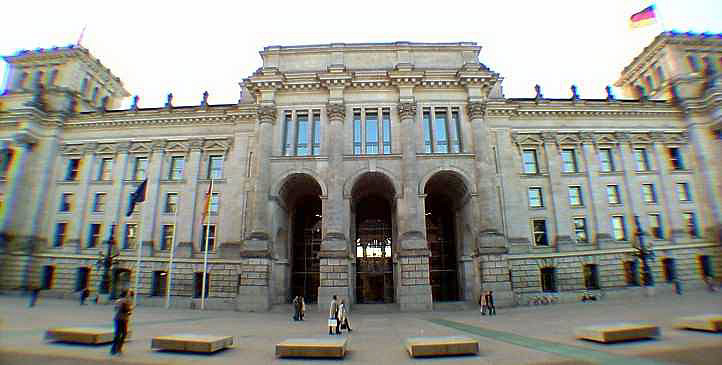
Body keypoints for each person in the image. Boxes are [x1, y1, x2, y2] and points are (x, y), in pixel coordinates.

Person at [110, 289, 131, 356]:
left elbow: (115, 309)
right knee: (123, 334)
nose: (129, 294)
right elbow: (125, 310)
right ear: (126, 294)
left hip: (117, 318)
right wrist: (129, 311)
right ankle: (118, 348)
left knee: (117, 334)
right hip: (123, 319)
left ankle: (113, 349)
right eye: (129, 293)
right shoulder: (126, 301)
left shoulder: (118, 300)